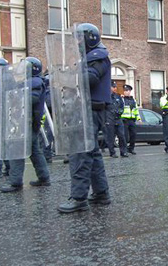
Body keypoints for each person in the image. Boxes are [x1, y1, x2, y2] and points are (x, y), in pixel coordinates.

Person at [58, 23, 112, 213]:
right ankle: (101, 192)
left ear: (90, 38)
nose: (77, 41)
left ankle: (79, 198)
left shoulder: (97, 56)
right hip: (87, 110)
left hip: (90, 110)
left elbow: (90, 79)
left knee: (80, 153)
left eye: (80, 37)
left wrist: (65, 78)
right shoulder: (89, 57)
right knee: (92, 152)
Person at [1, 57, 51, 193]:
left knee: (17, 150)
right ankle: (44, 178)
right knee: (35, 152)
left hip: (26, 122)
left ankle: (16, 182)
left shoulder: (34, 82)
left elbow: (32, 98)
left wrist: (16, 96)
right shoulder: (32, 81)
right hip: (28, 122)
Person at [105, 82, 129, 158]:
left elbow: (122, 106)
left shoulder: (118, 96)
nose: (115, 88)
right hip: (110, 119)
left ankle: (123, 152)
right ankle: (112, 152)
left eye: (115, 87)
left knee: (122, 136)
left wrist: (120, 111)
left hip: (118, 119)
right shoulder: (106, 97)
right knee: (111, 137)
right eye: (113, 87)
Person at [121, 84, 139, 155]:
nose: (127, 92)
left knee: (133, 135)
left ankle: (131, 148)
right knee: (125, 136)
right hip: (124, 120)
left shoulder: (133, 100)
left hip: (132, 120)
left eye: (128, 90)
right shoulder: (122, 99)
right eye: (125, 91)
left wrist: (138, 118)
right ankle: (124, 150)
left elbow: (136, 109)